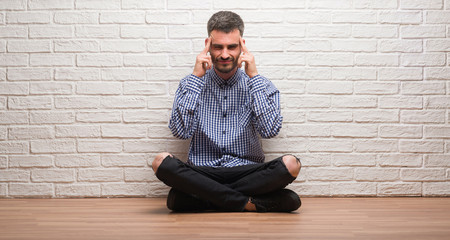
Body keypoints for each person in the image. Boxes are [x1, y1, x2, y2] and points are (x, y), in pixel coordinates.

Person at [152, 11, 301, 212]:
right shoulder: (191, 84)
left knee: (291, 164)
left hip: (247, 172)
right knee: (160, 162)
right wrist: (196, 78)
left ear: (242, 45)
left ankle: (206, 197)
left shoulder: (260, 85)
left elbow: (270, 131)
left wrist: (254, 77)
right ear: (208, 46)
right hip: (203, 172)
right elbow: (180, 132)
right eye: (217, 47)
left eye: (231, 47)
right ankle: (245, 203)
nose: (224, 54)